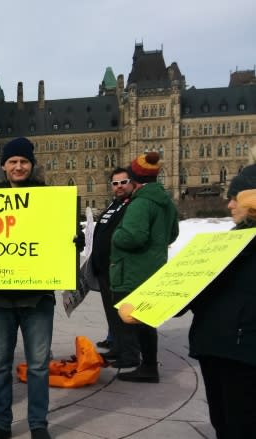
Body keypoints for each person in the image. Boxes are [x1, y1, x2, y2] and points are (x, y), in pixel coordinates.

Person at [0, 137, 57, 439]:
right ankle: (0, 423)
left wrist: (71, 241)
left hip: (37, 298)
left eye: (24, 161)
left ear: (31, 165)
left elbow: (57, 240)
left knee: (38, 366)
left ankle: (38, 424)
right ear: (4, 166)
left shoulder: (49, 199)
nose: (19, 166)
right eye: (13, 161)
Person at [180, 165, 256, 438]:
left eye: (236, 197)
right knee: (223, 422)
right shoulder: (221, 245)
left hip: (243, 354)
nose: (229, 204)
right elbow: (190, 291)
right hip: (212, 347)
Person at [110, 151, 178, 383]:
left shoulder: (141, 203)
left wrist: (116, 234)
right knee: (147, 321)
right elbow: (174, 233)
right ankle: (149, 364)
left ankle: (147, 367)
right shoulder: (165, 201)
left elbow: (132, 237)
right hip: (154, 268)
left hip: (133, 271)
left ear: (135, 179)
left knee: (135, 320)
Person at [89, 168, 140, 369]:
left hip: (119, 268)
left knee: (123, 313)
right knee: (112, 312)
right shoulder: (114, 204)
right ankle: (118, 347)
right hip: (104, 268)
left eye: (123, 182)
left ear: (132, 183)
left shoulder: (133, 206)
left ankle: (130, 354)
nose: (119, 186)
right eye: (115, 183)